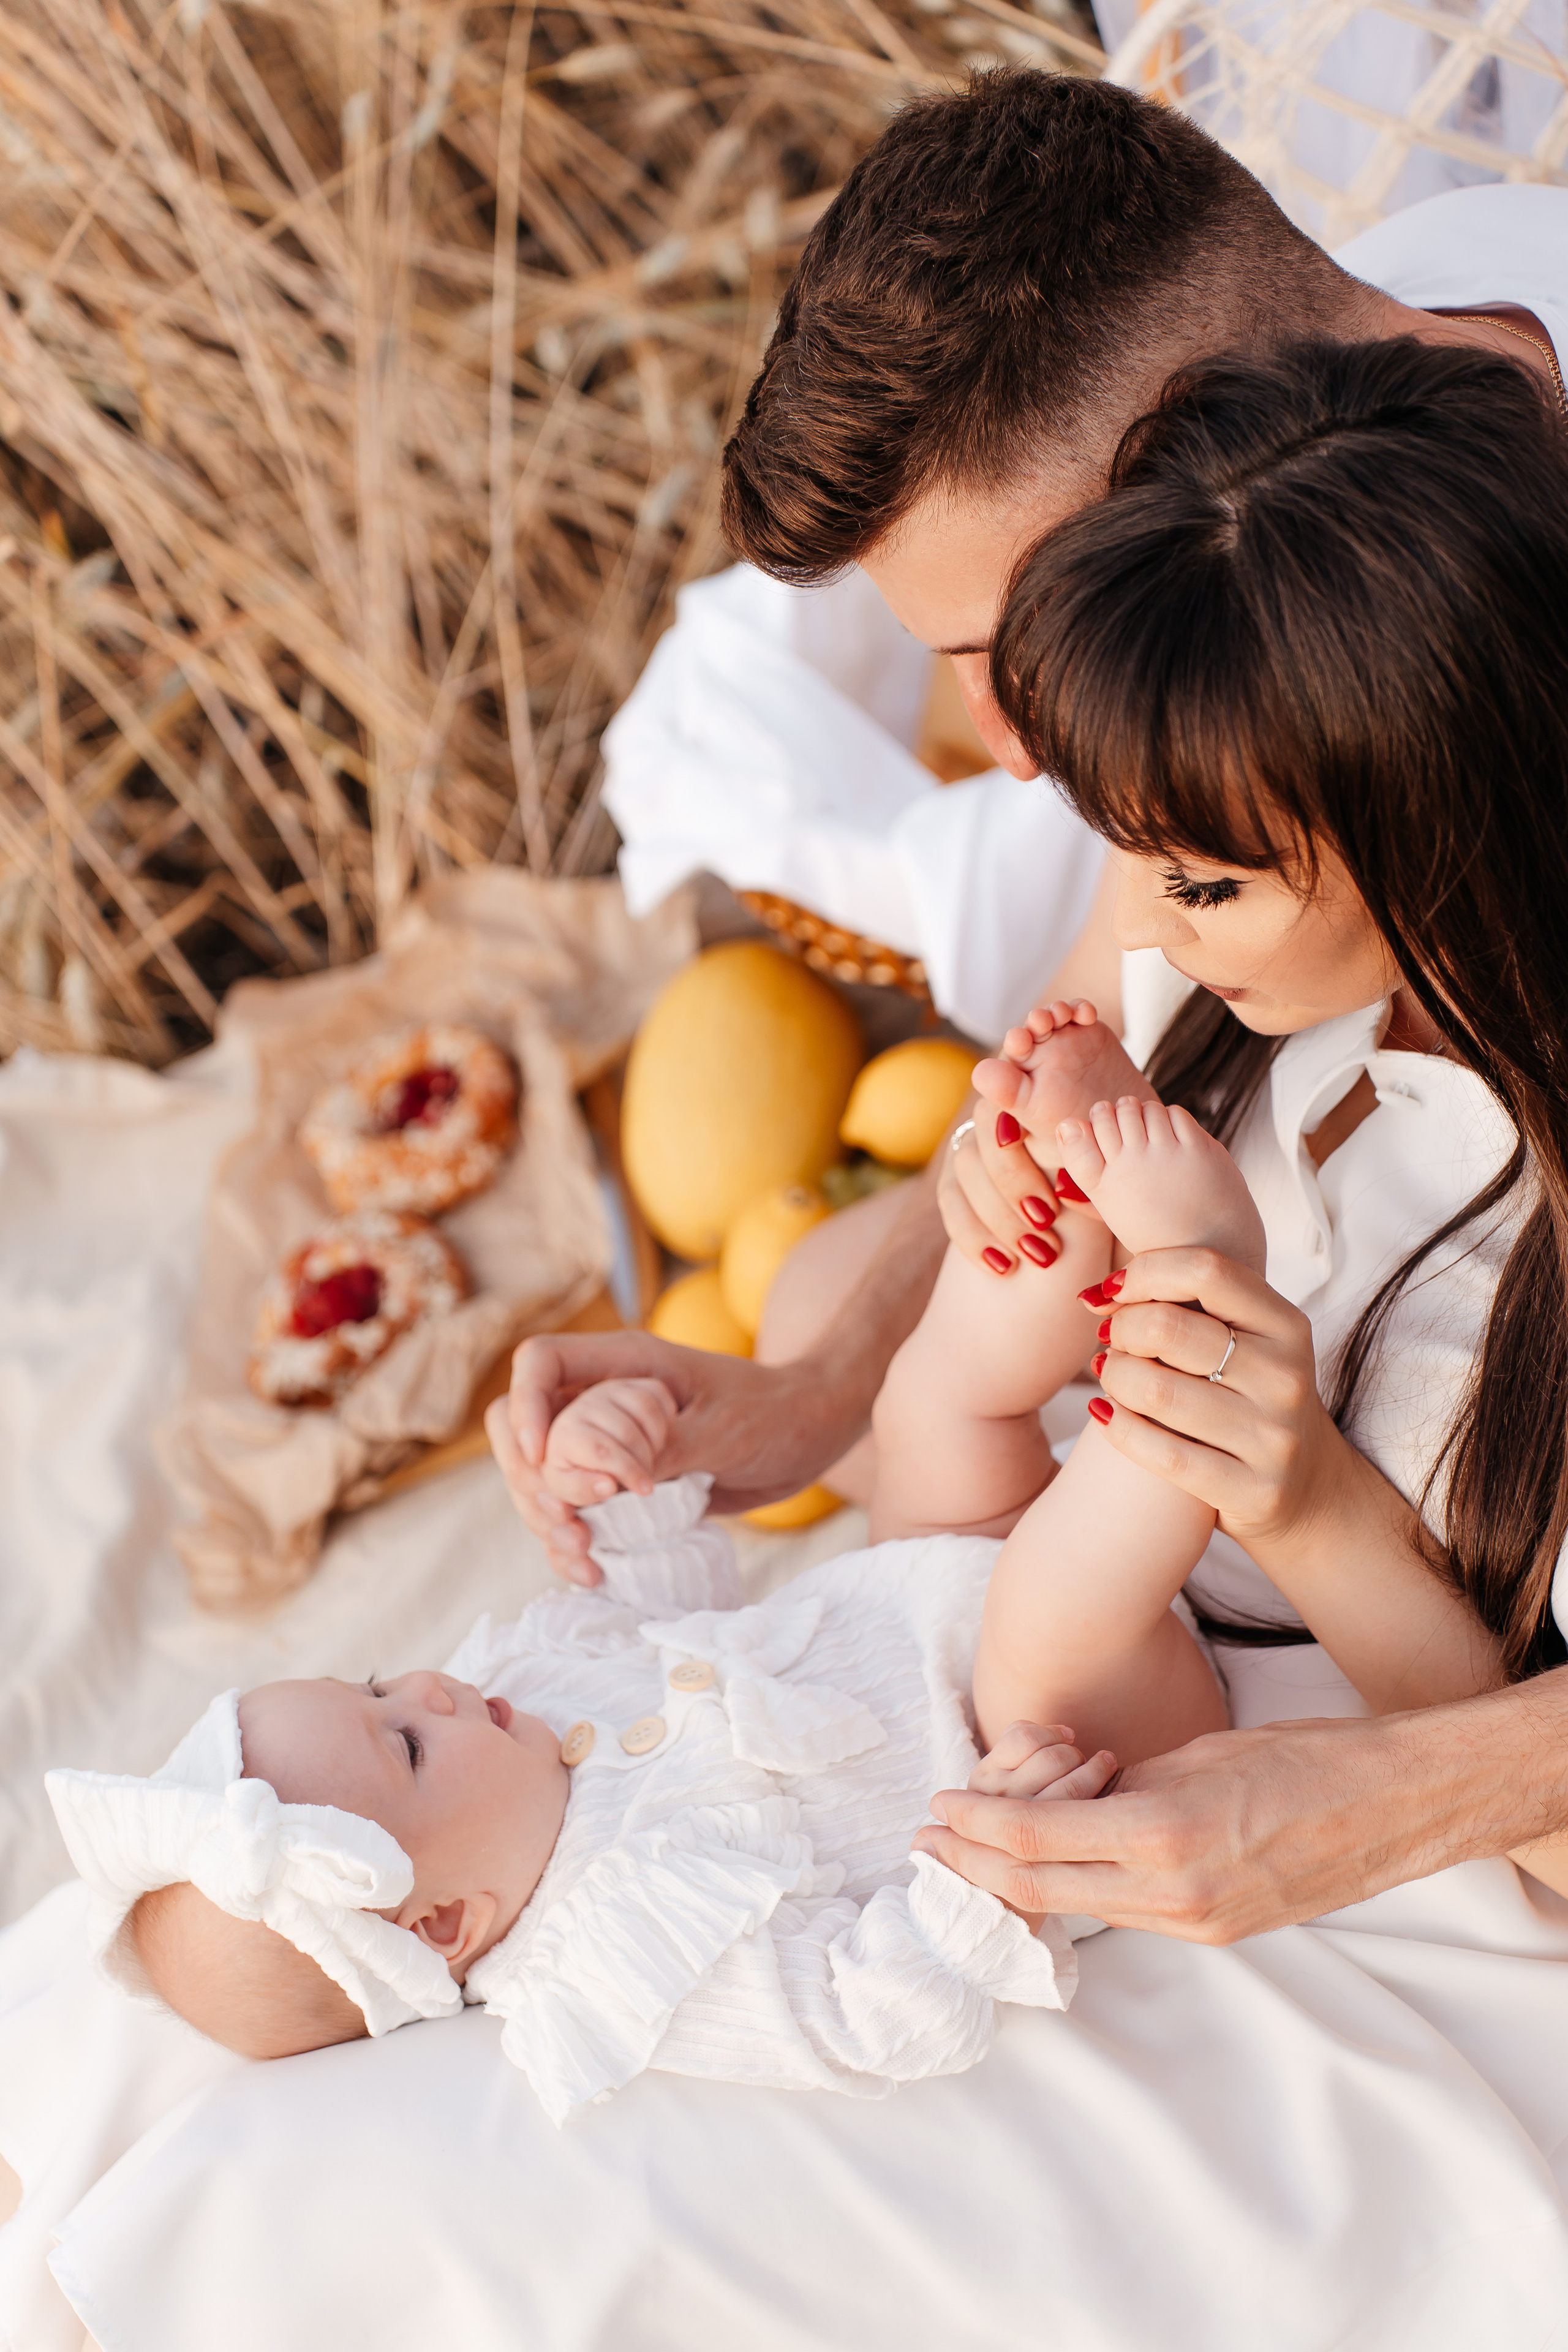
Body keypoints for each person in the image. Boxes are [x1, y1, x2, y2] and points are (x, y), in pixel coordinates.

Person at [488, 68, 1568, 1931]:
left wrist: (1379, 1798)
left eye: (1022, 645)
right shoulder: (1389, 345)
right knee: (836, 1290)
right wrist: (820, 1393)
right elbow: (1120, 968)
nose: (1009, 748)